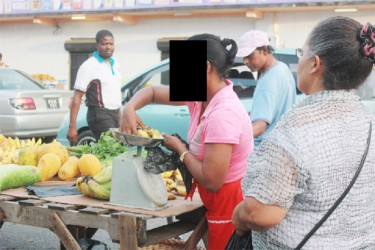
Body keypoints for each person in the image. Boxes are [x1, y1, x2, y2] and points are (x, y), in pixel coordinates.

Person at [232, 16, 375, 249]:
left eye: (302, 52)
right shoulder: (367, 121)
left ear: (315, 64)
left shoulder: (295, 132)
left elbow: (260, 214)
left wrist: (239, 215)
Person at [120, 33, 254, 249]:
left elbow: (212, 181)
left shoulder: (224, 114)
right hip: (214, 201)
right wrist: (129, 108)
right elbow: (152, 92)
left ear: (205, 67)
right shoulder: (199, 97)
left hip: (231, 203)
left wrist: (181, 149)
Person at [236, 30, 297, 147]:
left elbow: (259, 126)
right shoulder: (282, 68)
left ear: (264, 50)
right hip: (282, 144)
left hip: (264, 149)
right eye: (244, 56)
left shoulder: (268, 80)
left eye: (250, 55)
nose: (245, 61)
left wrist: (231, 138)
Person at [67, 30, 122, 145]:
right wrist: (72, 127)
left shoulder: (115, 63)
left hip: (115, 114)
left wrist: (120, 116)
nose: (108, 47)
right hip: (99, 114)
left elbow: (115, 93)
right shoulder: (89, 66)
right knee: (111, 148)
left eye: (111, 44)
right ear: (97, 45)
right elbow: (77, 97)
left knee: (117, 149)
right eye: (104, 44)